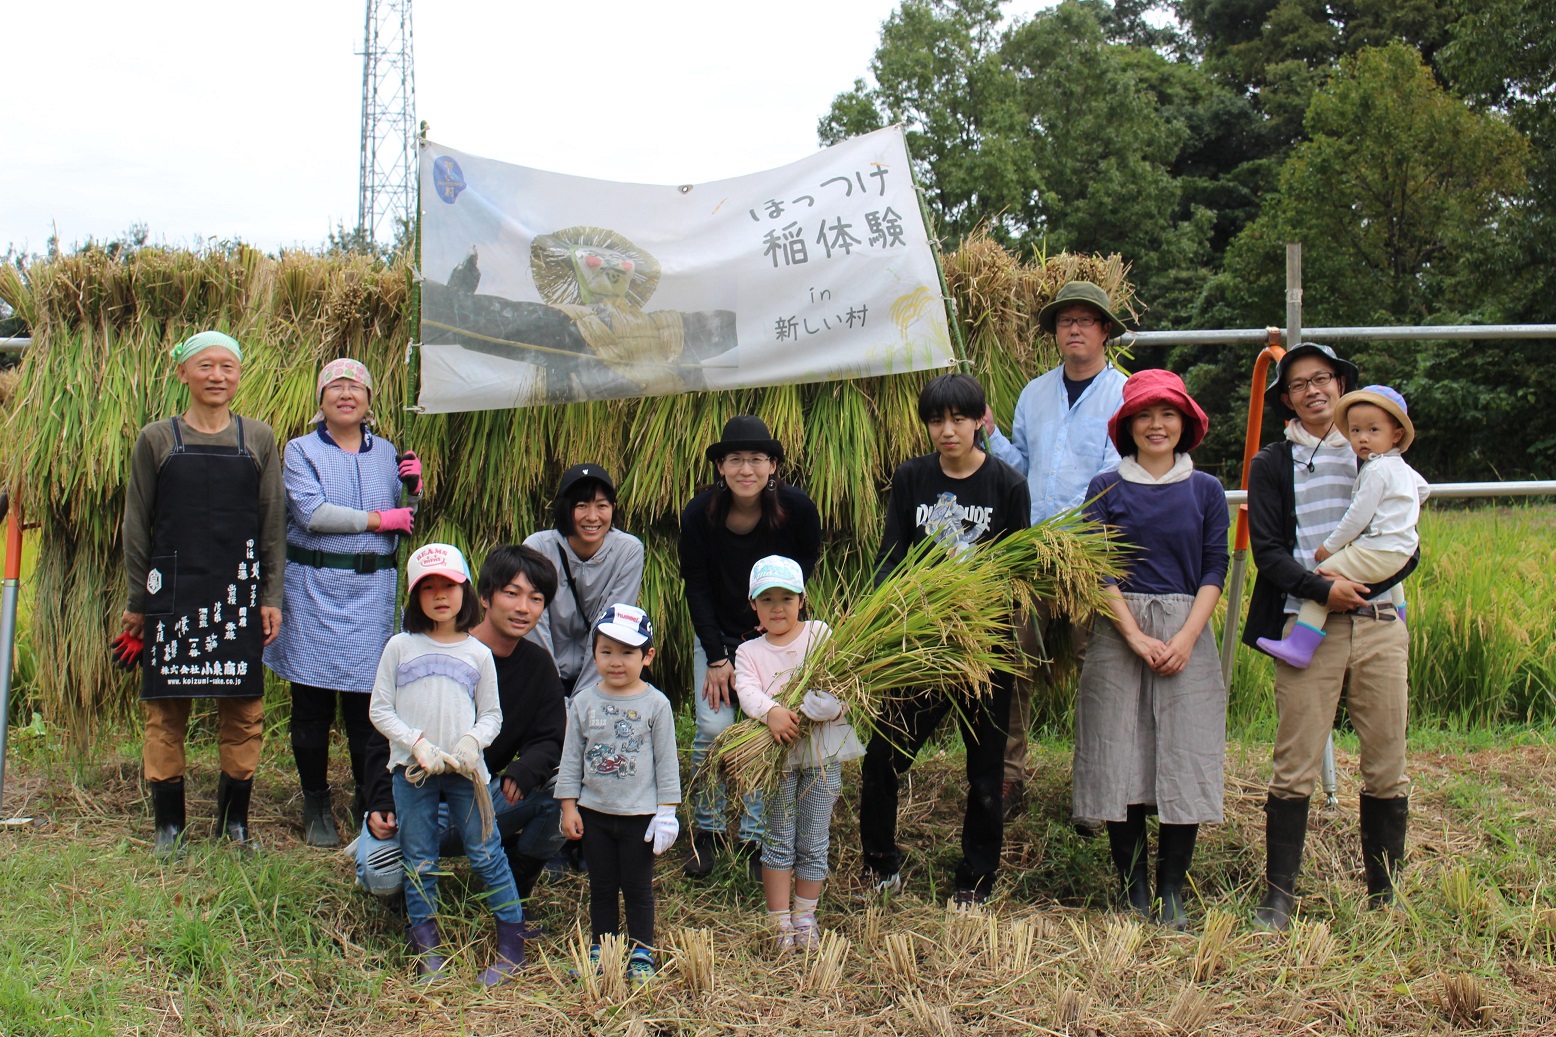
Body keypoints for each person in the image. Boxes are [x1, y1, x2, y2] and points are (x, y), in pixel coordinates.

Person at [1243, 344, 1415, 931]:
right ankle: (1278, 898)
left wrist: (1364, 587)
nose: (1313, 390)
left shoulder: (1376, 449)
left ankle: (1383, 897)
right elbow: (1267, 551)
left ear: (1342, 384)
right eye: (1298, 385)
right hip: (1305, 621)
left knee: (1386, 762)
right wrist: (1322, 589)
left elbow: (1405, 539)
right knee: (1293, 763)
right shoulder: (1272, 463)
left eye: (1323, 379)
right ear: (1285, 399)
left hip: (1379, 621)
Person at [861, 373, 1030, 908]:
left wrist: (978, 620)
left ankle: (975, 880)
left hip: (982, 647)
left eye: (959, 418)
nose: (948, 429)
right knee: (883, 757)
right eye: (937, 420)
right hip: (922, 642)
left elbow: (1014, 570)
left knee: (984, 770)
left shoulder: (1006, 484)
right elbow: (893, 554)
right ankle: (880, 864)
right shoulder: (911, 478)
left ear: (981, 420)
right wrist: (887, 614)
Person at [1071, 370, 1228, 930]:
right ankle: (1133, 888)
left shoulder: (1205, 489)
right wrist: (1134, 634)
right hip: (1120, 630)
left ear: (1185, 422)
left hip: (1189, 626)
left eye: (1167, 414)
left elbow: (1216, 566)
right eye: (1144, 415)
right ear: (1127, 426)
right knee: (1120, 755)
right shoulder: (1105, 487)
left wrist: (1185, 637)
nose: (1156, 425)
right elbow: (1097, 565)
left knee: (1184, 755)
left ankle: (1172, 893)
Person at [119, 330, 285, 856]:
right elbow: (137, 524)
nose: (217, 376)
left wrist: (271, 595)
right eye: (206, 366)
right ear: (183, 373)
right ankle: (168, 826)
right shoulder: (156, 439)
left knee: (244, 708)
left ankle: (233, 824)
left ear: (239, 375)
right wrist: (137, 602)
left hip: (238, 591)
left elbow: (273, 524)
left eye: (228, 367)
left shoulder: (258, 438)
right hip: (172, 592)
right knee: (165, 710)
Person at [353, 544, 569, 924]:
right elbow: (381, 734)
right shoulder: (423, 648)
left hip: (480, 799)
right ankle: (411, 902)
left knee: (561, 788)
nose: (523, 608)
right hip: (418, 798)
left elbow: (551, 736)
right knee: (379, 870)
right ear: (483, 596)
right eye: (512, 593)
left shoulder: (537, 665)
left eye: (535, 599)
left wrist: (525, 769)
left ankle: (514, 887)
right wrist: (381, 802)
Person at [982, 280, 1129, 817]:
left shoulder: (1124, 394)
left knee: (1101, 668)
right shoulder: (1035, 394)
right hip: (1032, 549)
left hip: (1094, 552)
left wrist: (1077, 543)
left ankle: (1097, 787)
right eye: (1065, 321)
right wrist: (990, 436)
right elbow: (1021, 468)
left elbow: (1119, 476)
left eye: (1084, 320)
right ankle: (1007, 779)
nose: (1074, 329)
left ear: (1104, 330)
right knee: (1011, 660)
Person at [263, 357, 420, 847]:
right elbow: (312, 514)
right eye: (336, 386)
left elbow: (407, 519)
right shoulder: (300, 450)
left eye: (356, 387)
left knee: (365, 707)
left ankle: (366, 795)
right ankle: (314, 800)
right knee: (310, 703)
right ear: (321, 399)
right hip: (314, 587)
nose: (346, 394)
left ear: (370, 401)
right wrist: (381, 520)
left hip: (372, 591)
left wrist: (413, 491)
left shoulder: (387, 452)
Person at [367, 543, 525, 986]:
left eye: (449, 586)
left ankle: (512, 947)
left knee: (486, 852)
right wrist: (415, 744)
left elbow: (492, 714)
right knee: (419, 857)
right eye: (428, 587)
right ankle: (428, 952)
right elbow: (380, 710)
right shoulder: (399, 647)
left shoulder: (477, 653)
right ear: (415, 596)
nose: (440, 596)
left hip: (464, 773)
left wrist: (474, 741)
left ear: (466, 592)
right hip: (412, 774)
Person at [679, 415, 822, 879]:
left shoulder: (797, 509)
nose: (747, 469)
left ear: (773, 464)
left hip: (772, 634)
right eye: (735, 459)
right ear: (720, 466)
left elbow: (801, 574)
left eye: (757, 459)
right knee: (712, 724)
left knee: (766, 725)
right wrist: (718, 657)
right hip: (717, 637)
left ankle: (759, 834)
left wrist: (774, 632)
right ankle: (707, 828)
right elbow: (696, 588)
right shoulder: (699, 515)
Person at [733, 556, 862, 952]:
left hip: (822, 756)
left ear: (802, 600)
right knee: (779, 838)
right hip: (779, 759)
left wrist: (835, 707)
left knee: (814, 838)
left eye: (786, 598)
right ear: (753, 605)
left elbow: (847, 679)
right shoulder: (749, 651)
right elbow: (747, 689)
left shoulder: (820, 635)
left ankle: (805, 916)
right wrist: (771, 711)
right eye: (766, 599)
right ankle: (779, 922)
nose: (777, 608)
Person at [1256, 386, 1427, 667]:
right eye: (1356, 431)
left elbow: (1357, 517)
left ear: (1395, 435)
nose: (1362, 438)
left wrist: (1329, 546)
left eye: (1373, 431)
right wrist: (1401, 514)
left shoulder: (1376, 470)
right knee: (1390, 573)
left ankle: (1301, 644)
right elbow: (1423, 490)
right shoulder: (1401, 468)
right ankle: (1400, 617)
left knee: (1324, 577)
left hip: (1379, 545)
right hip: (1401, 547)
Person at [556, 604, 681, 985]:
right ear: (593, 653)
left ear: (647, 657)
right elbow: (572, 758)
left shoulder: (655, 704)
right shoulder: (583, 702)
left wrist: (666, 812)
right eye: (606, 651)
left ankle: (642, 950)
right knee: (602, 886)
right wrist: (568, 807)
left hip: (639, 816)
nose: (616, 662)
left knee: (638, 887)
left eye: (628, 653)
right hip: (594, 812)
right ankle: (603, 949)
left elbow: (666, 762)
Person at [522, 463, 644, 697]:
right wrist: (553, 697)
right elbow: (536, 626)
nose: (592, 517)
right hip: (544, 677)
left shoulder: (628, 551)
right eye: (581, 506)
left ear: (613, 508)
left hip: (602, 676)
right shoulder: (538, 548)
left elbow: (610, 627)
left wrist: (583, 701)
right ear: (565, 509)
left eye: (602, 506)